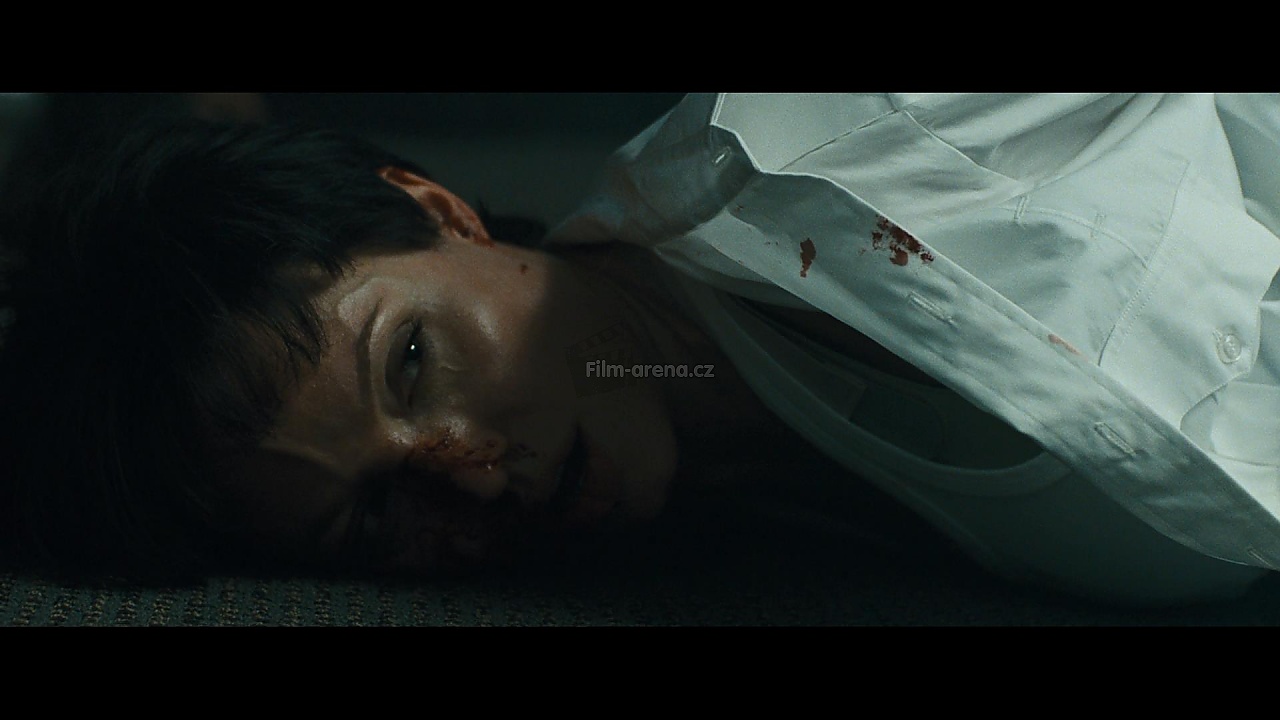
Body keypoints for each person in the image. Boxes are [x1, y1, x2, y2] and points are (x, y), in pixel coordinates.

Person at [2, 94, 1277, 607]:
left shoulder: (853, 137)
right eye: (377, 515)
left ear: (436, 208)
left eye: (410, 364)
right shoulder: (731, 527)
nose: (468, 473)